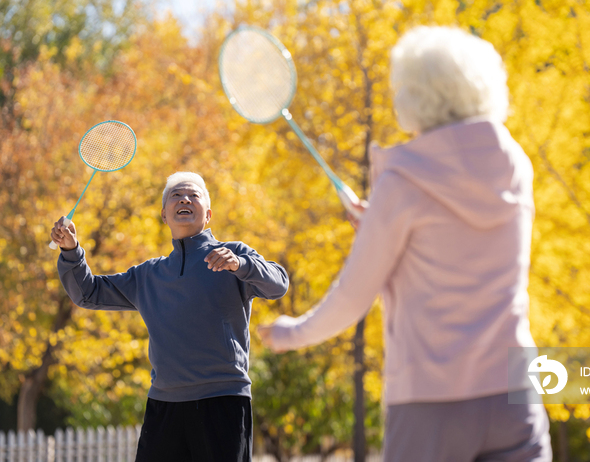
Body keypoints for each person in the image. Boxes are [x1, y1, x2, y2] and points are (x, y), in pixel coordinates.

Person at [259, 26, 552, 461]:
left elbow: (352, 299)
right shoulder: (517, 166)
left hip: (430, 406)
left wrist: (291, 333)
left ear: (415, 96)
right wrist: (381, 220)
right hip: (514, 395)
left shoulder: (401, 185)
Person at [51, 171, 289, 462]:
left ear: (208, 214)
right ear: (164, 215)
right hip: (164, 405)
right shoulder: (148, 275)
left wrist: (241, 264)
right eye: (176, 195)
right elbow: (87, 293)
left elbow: (278, 284)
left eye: (193, 195)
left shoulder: (234, 255)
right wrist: (71, 251)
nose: (184, 199)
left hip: (223, 400)